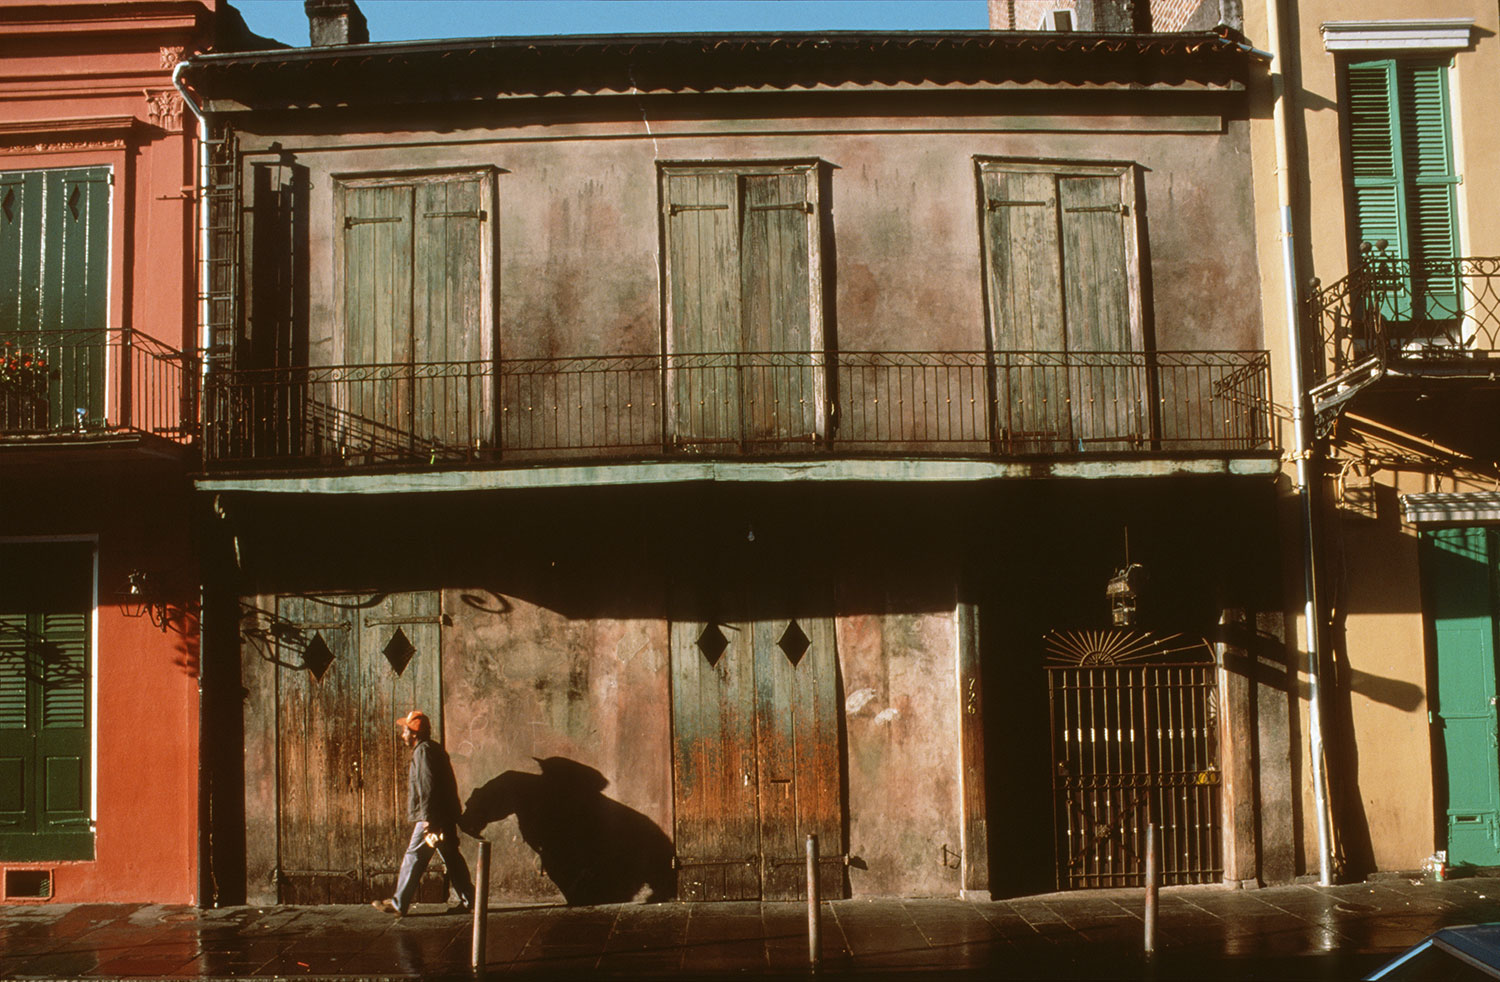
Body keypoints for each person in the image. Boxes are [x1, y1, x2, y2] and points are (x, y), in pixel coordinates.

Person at [372, 709, 476, 916]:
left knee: (414, 855)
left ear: (414, 733)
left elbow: (428, 787)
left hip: (432, 816)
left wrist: (429, 822)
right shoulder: (433, 748)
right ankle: (470, 900)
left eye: (405, 731)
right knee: (451, 856)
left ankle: (399, 903)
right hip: (444, 815)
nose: (402, 735)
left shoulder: (423, 752)